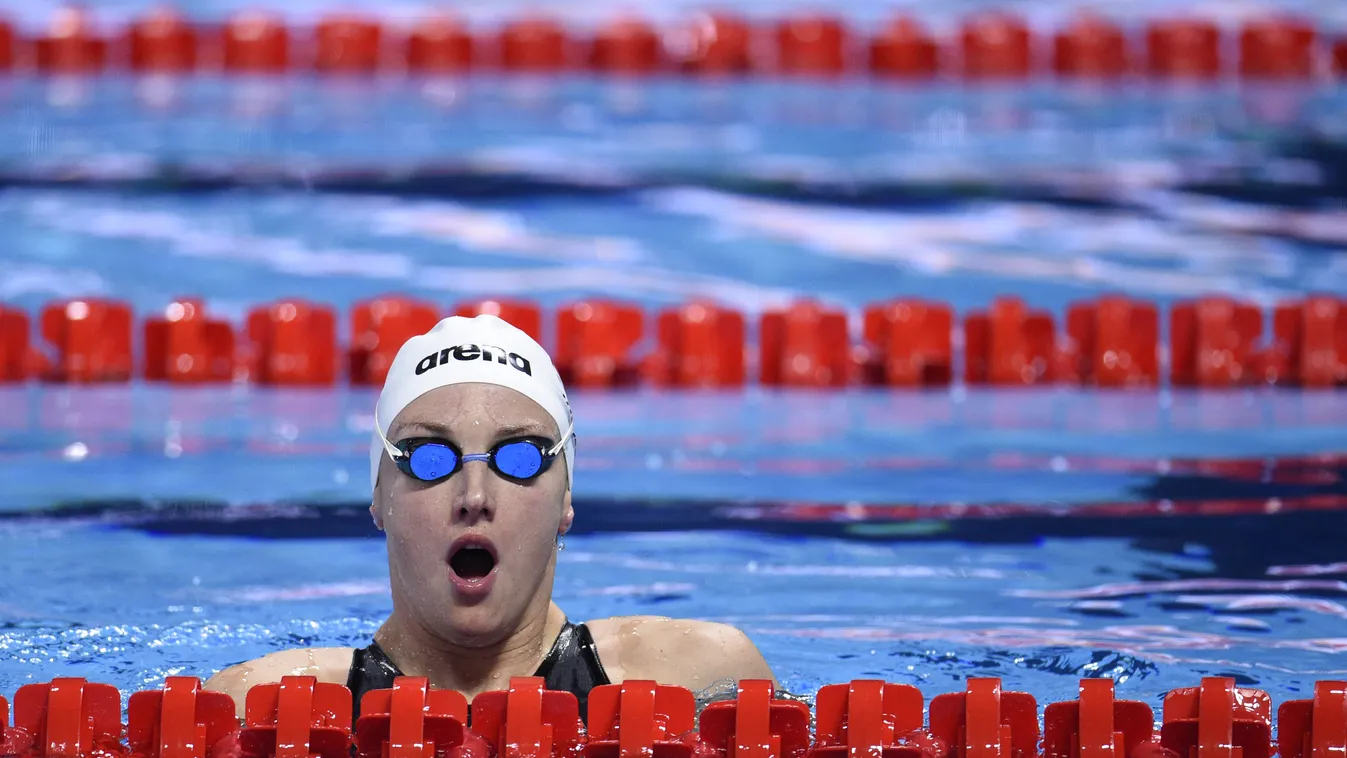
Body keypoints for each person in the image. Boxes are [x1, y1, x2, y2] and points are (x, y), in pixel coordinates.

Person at [205, 314, 777, 721]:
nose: (474, 494)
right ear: (378, 497)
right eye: (430, 459)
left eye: (519, 458)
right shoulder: (261, 706)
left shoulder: (699, 679)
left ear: (566, 499)